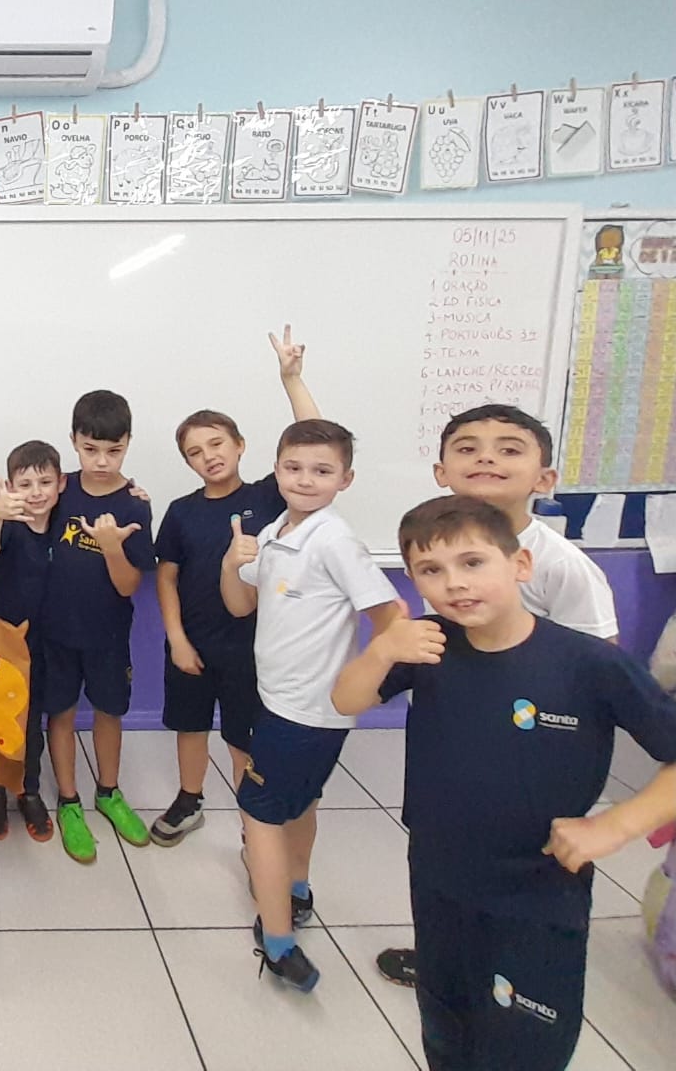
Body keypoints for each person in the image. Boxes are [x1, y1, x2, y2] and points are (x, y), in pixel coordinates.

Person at [334, 495, 676, 1071]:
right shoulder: (428, 643)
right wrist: (382, 649)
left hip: (537, 891)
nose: (454, 583)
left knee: (522, 1042)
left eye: (472, 562)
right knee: (446, 1025)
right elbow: (347, 699)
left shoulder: (588, 664)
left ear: (520, 564)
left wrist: (615, 825)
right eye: (430, 570)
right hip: (438, 877)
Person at [376, 403, 621, 988]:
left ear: (545, 477)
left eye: (509, 449)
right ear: (441, 472)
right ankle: (444, 959)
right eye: (468, 448)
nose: (486, 458)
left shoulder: (563, 566)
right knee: (445, 873)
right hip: (452, 757)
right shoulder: (434, 552)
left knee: (523, 893)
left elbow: (598, 671)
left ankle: (510, 983)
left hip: (533, 766)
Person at [221, 418, 400, 991]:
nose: (305, 479)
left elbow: (391, 617)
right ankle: (296, 890)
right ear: (276, 471)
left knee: (260, 814)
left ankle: (277, 942)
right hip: (280, 700)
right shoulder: (278, 528)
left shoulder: (333, 539)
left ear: (345, 479)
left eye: (322, 471)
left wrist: (367, 682)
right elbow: (240, 604)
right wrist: (230, 562)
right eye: (293, 468)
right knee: (301, 802)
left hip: (306, 710)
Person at [151, 328, 319, 845]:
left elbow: (315, 441)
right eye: (195, 452)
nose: (208, 456)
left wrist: (291, 379)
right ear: (187, 463)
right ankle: (189, 799)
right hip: (194, 642)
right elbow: (167, 577)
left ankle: (255, 824)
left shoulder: (269, 497)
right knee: (190, 726)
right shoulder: (181, 512)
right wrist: (176, 639)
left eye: (217, 443)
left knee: (244, 738)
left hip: (251, 646)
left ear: (241, 445)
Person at [41, 391, 156, 863]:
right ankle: (69, 801)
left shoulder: (135, 506)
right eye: (90, 449)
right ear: (73, 441)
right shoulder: (59, 489)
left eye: (114, 450)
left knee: (110, 711)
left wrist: (110, 546)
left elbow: (129, 585)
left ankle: (108, 792)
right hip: (55, 630)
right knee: (61, 712)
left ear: (128, 442)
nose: (102, 461)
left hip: (108, 634)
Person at [0, 439, 64, 841]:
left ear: (60, 484)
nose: (36, 493)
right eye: (25, 485)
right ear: (11, 487)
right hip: (3, 645)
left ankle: (28, 790)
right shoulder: (9, 526)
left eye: (45, 483)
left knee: (32, 723)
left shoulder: (65, 522)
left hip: (47, 645)